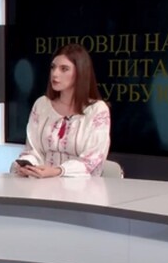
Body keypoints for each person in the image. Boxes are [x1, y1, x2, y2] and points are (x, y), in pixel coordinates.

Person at [11, 43, 110, 178]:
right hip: (42, 185)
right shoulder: (41, 105)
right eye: (53, 67)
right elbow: (33, 151)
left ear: (80, 72)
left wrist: (57, 171)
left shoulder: (97, 110)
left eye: (64, 69)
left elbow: (92, 160)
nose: (55, 74)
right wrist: (27, 165)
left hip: (82, 187)